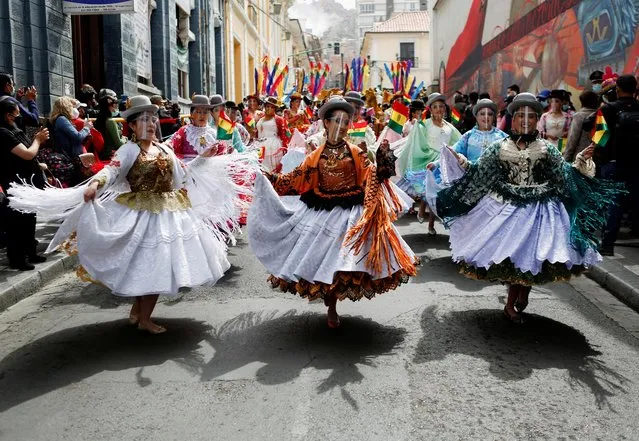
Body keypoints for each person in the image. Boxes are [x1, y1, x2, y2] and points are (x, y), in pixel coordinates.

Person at [9, 95, 254, 333]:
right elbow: (112, 172)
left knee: (150, 267)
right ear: (133, 126)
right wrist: (95, 185)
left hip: (168, 213)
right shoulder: (129, 150)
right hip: (142, 215)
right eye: (144, 121)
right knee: (150, 267)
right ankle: (144, 317)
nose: (151, 125)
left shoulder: (163, 149)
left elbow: (183, 175)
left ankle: (138, 314)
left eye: (153, 120)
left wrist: (202, 158)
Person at [436, 93, 622, 323]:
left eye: (531, 116)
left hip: (541, 210)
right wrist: (460, 161)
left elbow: (563, 174)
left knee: (536, 256)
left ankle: (523, 294)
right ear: (512, 120)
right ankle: (510, 304)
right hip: (508, 208)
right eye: (520, 116)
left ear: (536, 120)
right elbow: (480, 171)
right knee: (515, 256)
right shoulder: (500, 147)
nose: (526, 121)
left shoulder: (546, 148)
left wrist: (581, 160)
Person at [248, 96, 418, 328]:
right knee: (323, 263)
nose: (341, 125)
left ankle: (332, 304)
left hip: (350, 215)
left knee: (343, 264)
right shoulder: (315, 157)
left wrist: (383, 168)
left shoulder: (356, 152)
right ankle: (331, 305)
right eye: (336, 120)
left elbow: (372, 178)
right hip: (322, 212)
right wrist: (269, 178)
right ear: (326, 124)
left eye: (345, 121)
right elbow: (292, 180)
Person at [397, 93, 461, 234]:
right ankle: (422, 211)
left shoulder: (450, 127)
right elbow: (417, 143)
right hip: (429, 161)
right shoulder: (424, 125)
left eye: (441, 107)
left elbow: (458, 144)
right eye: (435, 107)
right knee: (429, 192)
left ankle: (431, 223)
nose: (438, 109)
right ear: (430, 109)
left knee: (438, 195)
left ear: (445, 109)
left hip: (443, 164)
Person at [0, 98, 49, 270]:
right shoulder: (3, 133)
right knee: (18, 221)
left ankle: (31, 252)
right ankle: (17, 259)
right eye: (16, 113)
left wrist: (38, 164)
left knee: (30, 218)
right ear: (8, 115)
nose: (19, 116)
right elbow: (27, 153)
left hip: (28, 182)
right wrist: (38, 140)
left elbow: (30, 155)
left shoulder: (15, 130)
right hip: (15, 183)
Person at [600, 74, 639, 255]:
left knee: (613, 205)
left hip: (614, 164)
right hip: (636, 165)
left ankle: (607, 245)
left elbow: (599, 137)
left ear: (617, 89)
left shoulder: (608, 109)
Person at [169, 94, 222, 163]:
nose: (202, 116)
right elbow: (171, 143)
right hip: (188, 168)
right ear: (191, 114)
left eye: (205, 112)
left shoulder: (213, 133)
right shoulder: (185, 131)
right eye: (198, 112)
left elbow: (222, 150)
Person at [563, 91, 599, 162]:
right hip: (596, 158)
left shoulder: (579, 116)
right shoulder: (600, 115)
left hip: (581, 157)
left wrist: (566, 159)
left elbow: (572, 139)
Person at [256, 96, 289, 173]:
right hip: (260, 146)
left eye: (272, 107)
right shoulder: (260, 119)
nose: (269, 109)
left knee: (272, 169)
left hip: (273, 147)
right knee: (261, 169)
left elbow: (285, 135)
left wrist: (285, 148)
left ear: (275, 109)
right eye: (267, 106)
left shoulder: (279, 119)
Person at [94, 89, 126, 161]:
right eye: (115, 103)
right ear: (110, 105)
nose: (117, 105)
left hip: (103, 154)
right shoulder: (110, 121)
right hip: (112, 155)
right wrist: (126, 139)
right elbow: (119, 143)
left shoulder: (100, 119)